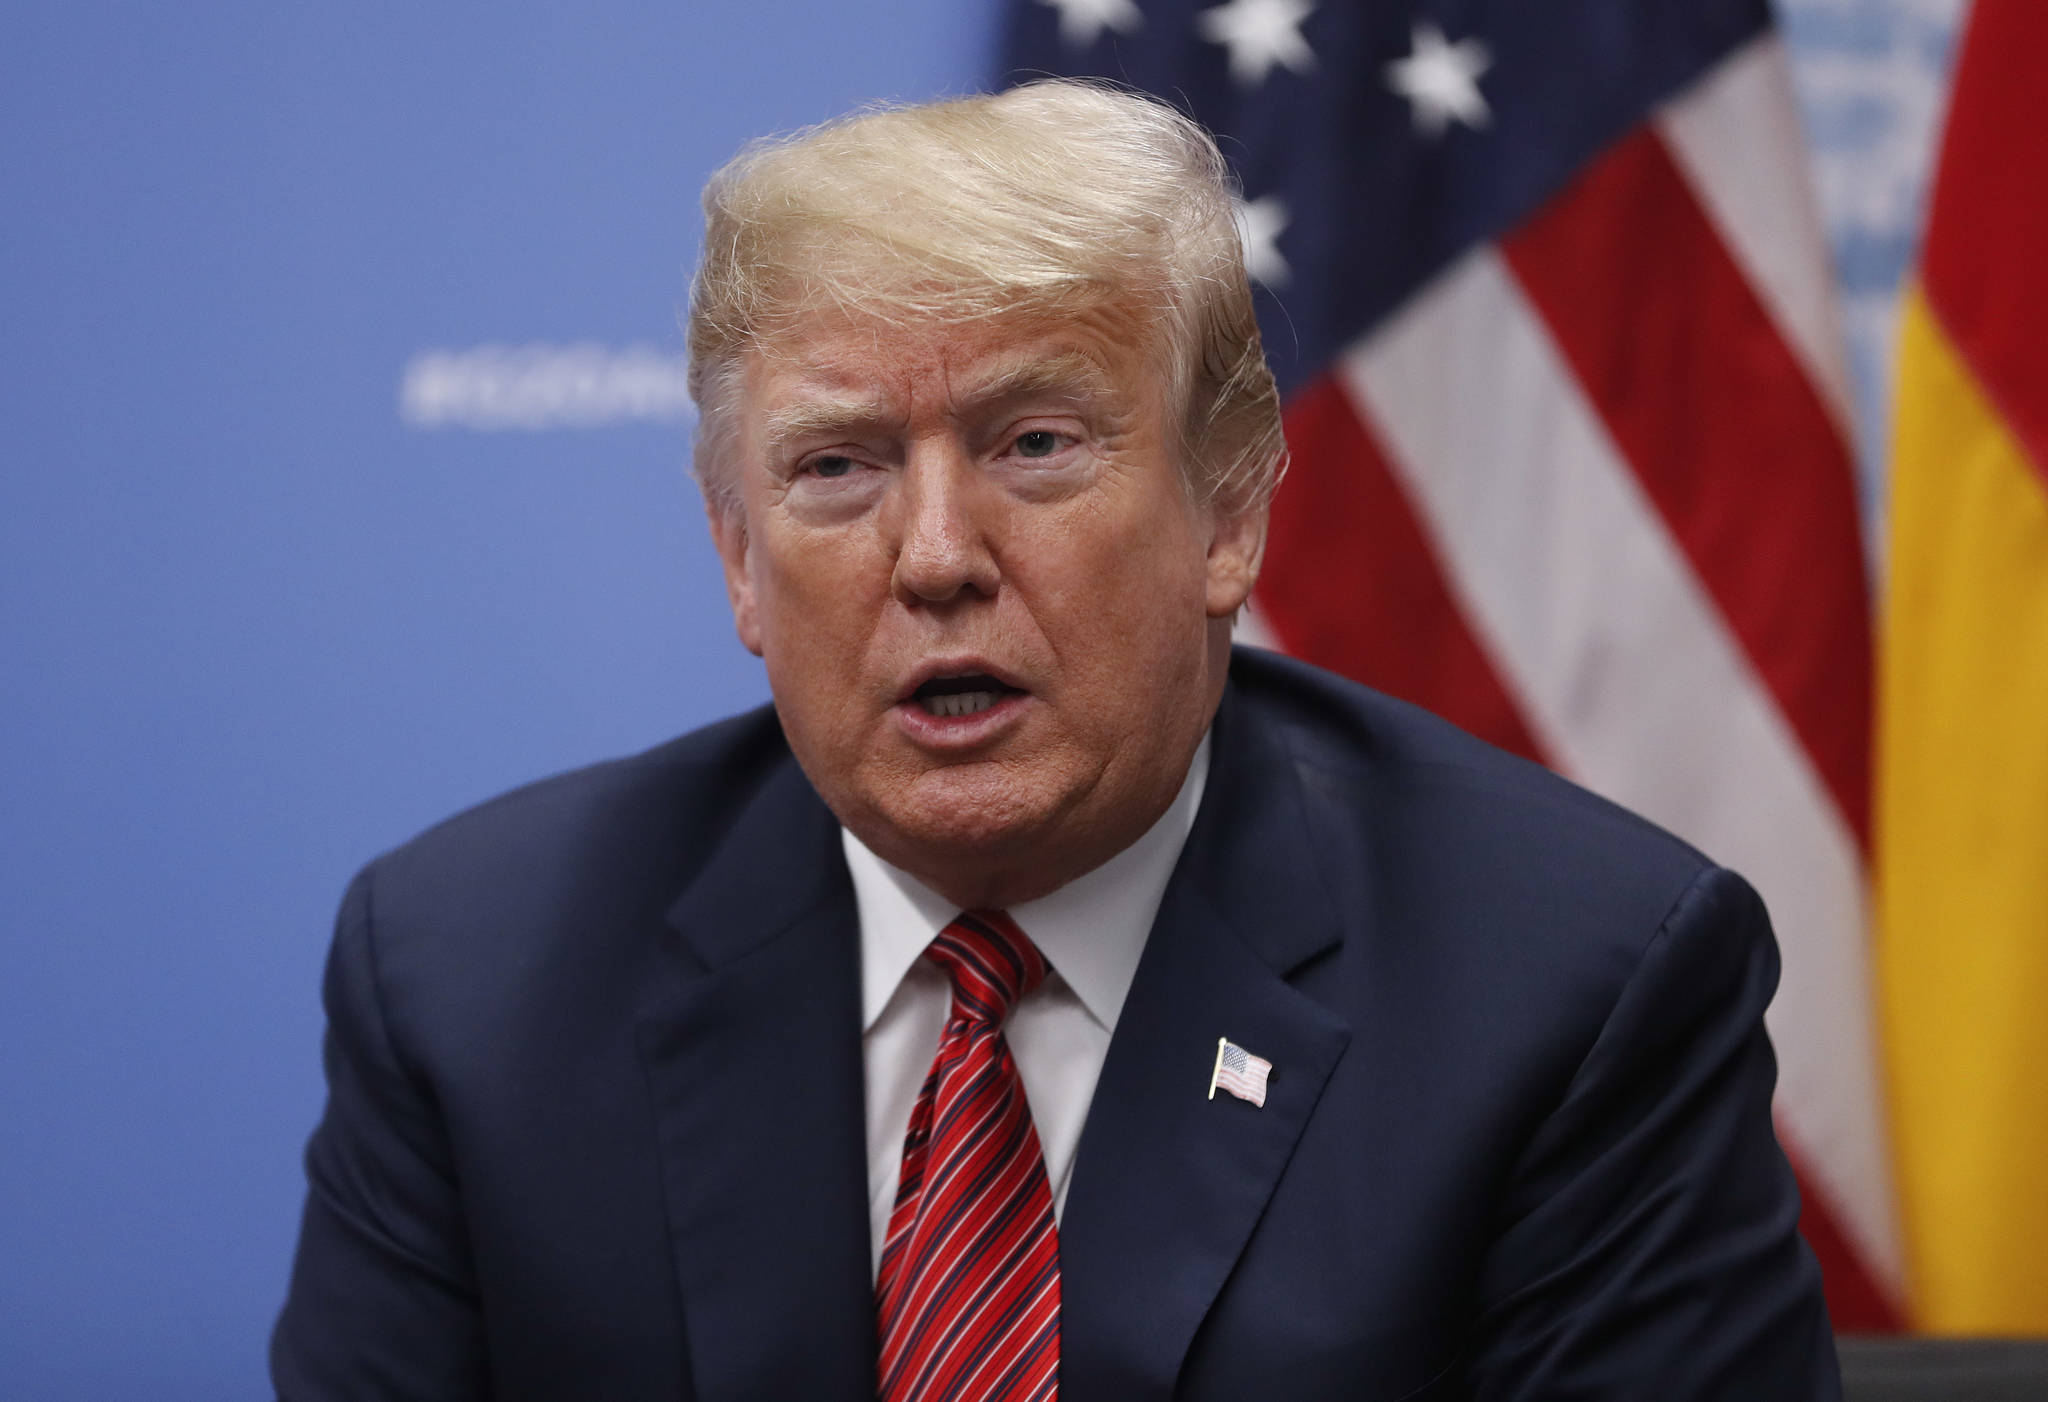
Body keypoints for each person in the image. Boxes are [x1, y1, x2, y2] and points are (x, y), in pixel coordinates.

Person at [271, 81, 1841, 1400]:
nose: (936, 551)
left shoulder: (1571, 989)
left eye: (1034, 444)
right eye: (837, 467)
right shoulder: (472, 983)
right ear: (738, 558)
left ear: (1229, 511)